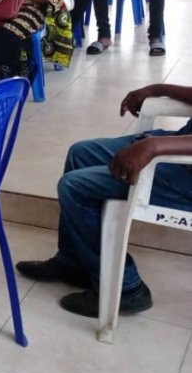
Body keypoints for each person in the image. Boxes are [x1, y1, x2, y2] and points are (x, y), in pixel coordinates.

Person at [16, 83, 192, 317]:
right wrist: (156, 89)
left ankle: (127, 289)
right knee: (80, 153)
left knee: (74, 187)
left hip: (184, 174)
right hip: (182, 144)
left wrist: (154, 146)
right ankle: (74, 262)